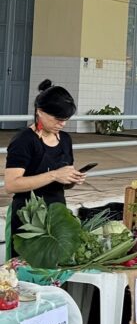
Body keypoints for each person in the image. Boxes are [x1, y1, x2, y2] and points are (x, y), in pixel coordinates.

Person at [5, 81, 87, 255]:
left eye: (65, 120)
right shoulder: (24, 140)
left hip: (57, 216)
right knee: (29, 267)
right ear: (40, 112)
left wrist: (71, 179)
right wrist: (54, 175)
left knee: (55, 266)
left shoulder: (65, 139)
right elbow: (11, 185)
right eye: (58, 119)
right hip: (28, 219)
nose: (62, 124)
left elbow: (62, 181)